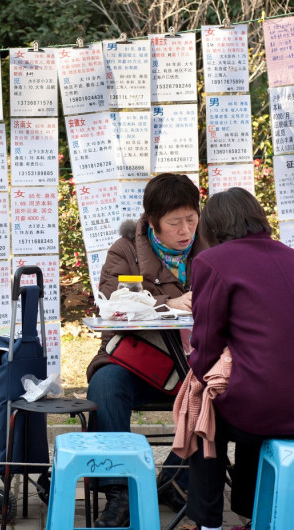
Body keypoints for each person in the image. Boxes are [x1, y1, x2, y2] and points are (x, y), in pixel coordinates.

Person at [185, 188, 294, 530]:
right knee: (252, 397)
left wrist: (202, 379)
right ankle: (254, 514)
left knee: (204, 411)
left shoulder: (211, 262)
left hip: (269, 404)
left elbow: (205, 344)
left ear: (211, 228)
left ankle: (208, 523)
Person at [86, 173, 207, 527]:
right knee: (106, 384)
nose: (186, 229)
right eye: (175, 222)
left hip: (193, 364)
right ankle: (118, 492)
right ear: (152, 222)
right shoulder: (124, 250)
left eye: (191, 218)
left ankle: (175, 479)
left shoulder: (212, 247)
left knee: (218, 383)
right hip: (136, 361)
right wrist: (169, 302)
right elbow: (111, 305)